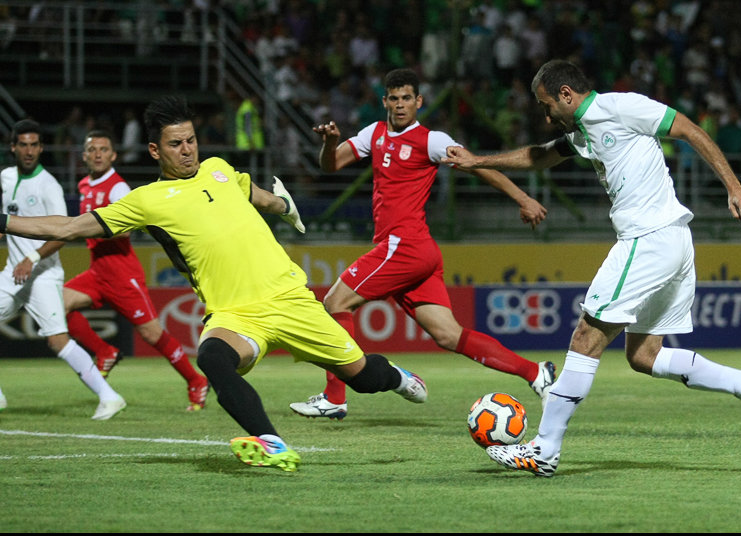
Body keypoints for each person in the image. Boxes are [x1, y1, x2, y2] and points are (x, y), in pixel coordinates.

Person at [0, 96, 427, 472]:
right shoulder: (146, 200)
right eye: (174, 144)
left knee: (362, 377)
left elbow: (253, 192)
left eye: (190, 141)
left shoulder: (219, 169)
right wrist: (5, 222)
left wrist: (281, 205)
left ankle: (398, 377)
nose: (186, 150)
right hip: (235, 312)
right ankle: (271, 442)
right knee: (213, 357)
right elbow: (71, 226)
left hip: (290, 298)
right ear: (154, 150)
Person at [443, 59, 741, 477]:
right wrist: (478, 162)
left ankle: (544, 450)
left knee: (585, 337)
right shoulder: (582, 131)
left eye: (547, 106)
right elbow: (539, 157)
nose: (546, 116)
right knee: (644, 355)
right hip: (671, 239)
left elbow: (689, 129)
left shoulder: (621, 107)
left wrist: (735, 188)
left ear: (567, 94)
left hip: (648, 238)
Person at [290, 68, 556, 421]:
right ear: (384, 101)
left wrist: (523, 198)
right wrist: (328, 143)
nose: (400, 106)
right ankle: (536, 373)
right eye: (394, 99)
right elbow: (331, 164)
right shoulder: (376, 134)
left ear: (418, 102)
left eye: (407, 99)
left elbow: (475, 165)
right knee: (448, 335)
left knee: (335, 301)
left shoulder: (430, 140)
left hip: (404, 246)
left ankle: (334, 397)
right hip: (418, 252)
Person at [63, 129, 209, 411]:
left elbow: (127, 229)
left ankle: (195, 381)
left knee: (152, 334)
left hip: (122, 274)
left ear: (113, 155)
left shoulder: (118, 188)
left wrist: (93, 228)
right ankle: (105, 350)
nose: (97, 155)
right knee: (57, 305)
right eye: (92, 150)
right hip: (97, 272)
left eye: (104, 150)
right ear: (84, 156)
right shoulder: (84, 185)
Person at [0, 119, 126, 420]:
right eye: (24, 145)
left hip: (42, 275)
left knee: (57, 340)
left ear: (41, 148)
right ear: (13, 147)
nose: (29, 151)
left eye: (34, 145)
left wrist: (31, 257)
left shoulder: (49, 186)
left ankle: (110, 397)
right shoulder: (5, 177)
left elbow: (64, 235)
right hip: (13, 274)